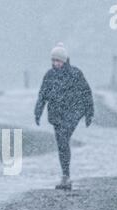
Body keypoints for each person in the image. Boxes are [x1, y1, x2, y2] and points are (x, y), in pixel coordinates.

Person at [34, 43, 94, 190]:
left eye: (58, 61)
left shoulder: (75, 74)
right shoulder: (49, 76)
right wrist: (38, 111)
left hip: (73, 112)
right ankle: (65, 175)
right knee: (62, 143)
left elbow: (86, 93)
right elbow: (42, 95)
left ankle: (65, 176)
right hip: (56, 114)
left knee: (63, 138)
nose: (55, 63)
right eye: (53, 60)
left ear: (65, 61)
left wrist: (89, 113)